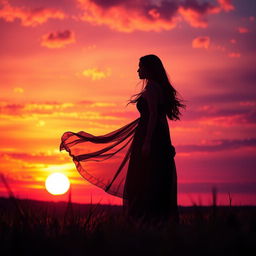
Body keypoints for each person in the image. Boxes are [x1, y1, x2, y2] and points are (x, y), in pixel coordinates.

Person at [60, 54, 185, 224]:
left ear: (149, 68)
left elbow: (155, 116)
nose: (138, 70)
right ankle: (153, 222)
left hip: (150, 139)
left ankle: (145, 222)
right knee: (153, 180)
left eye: (140, 66)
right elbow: (161, 120)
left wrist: (147, 142)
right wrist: (166, 143)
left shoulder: (152, 89)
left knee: (144, 180)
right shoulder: (157, 88)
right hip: (157, 139)